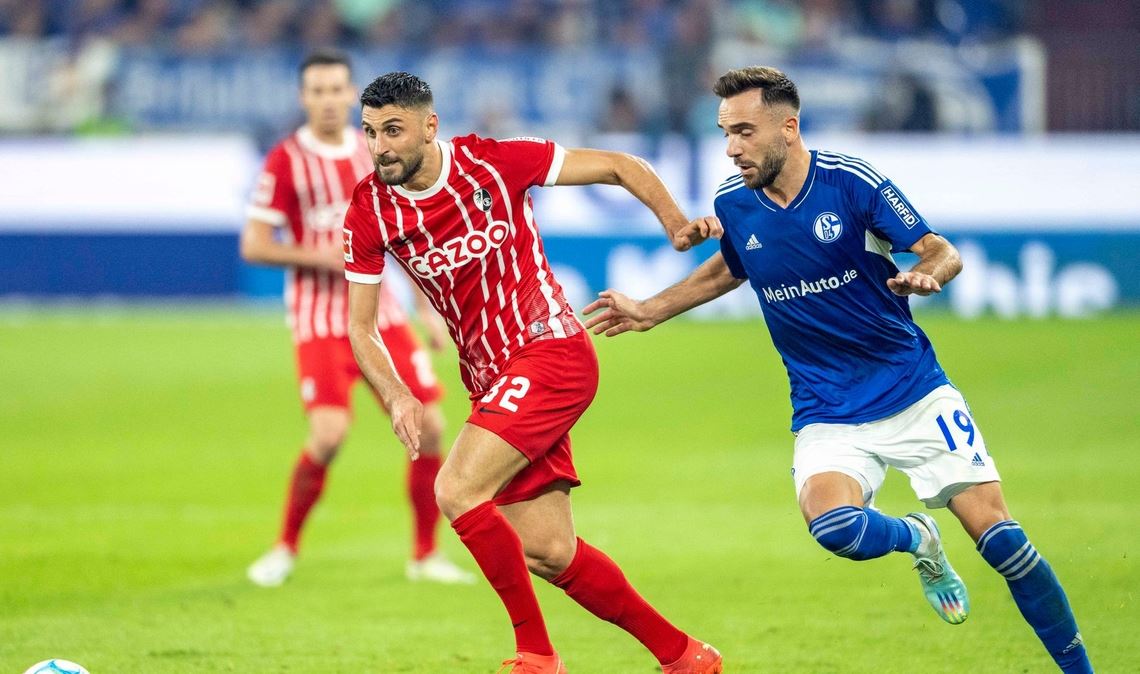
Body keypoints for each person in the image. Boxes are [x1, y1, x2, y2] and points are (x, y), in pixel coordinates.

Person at [584, 66, 1093, 674]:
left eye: (744, 132)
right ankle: (919, 538)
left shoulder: (852, 183)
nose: (731, 147)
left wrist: (932, 274)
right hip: (826, 408)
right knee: (835, 530)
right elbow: (730, 268)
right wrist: (650, 309)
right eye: (725, 133)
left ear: (788, 129)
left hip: (913, 391)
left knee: (1004, 542)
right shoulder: (732, 202)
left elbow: (939, 248)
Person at [342, 71, 724, 674]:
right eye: (369, 132)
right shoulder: (370, 210)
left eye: (393, 130)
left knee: (455, 489)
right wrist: (394, 395)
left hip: (551, 350)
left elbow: (620, 166)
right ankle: (684, 656)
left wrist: (675, 223)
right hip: (491, 380)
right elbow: (360, 328)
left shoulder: (494, 163)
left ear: (429, 125)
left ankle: (536, 655)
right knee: (548, 551)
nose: (379, 146)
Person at [241, 50, 473, 588]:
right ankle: (285, 547)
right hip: (319, 320)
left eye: (336, 90)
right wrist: (319, 256)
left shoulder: (377, 154)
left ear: (351, 95)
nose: (327, 100)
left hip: (382, 314)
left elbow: (404, 238)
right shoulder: (285, 161)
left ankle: (425, 554)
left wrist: (425, 307)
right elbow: (254, 244)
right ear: (304, 98)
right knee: (328, 433)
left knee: (433, 425)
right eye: (316, 91)